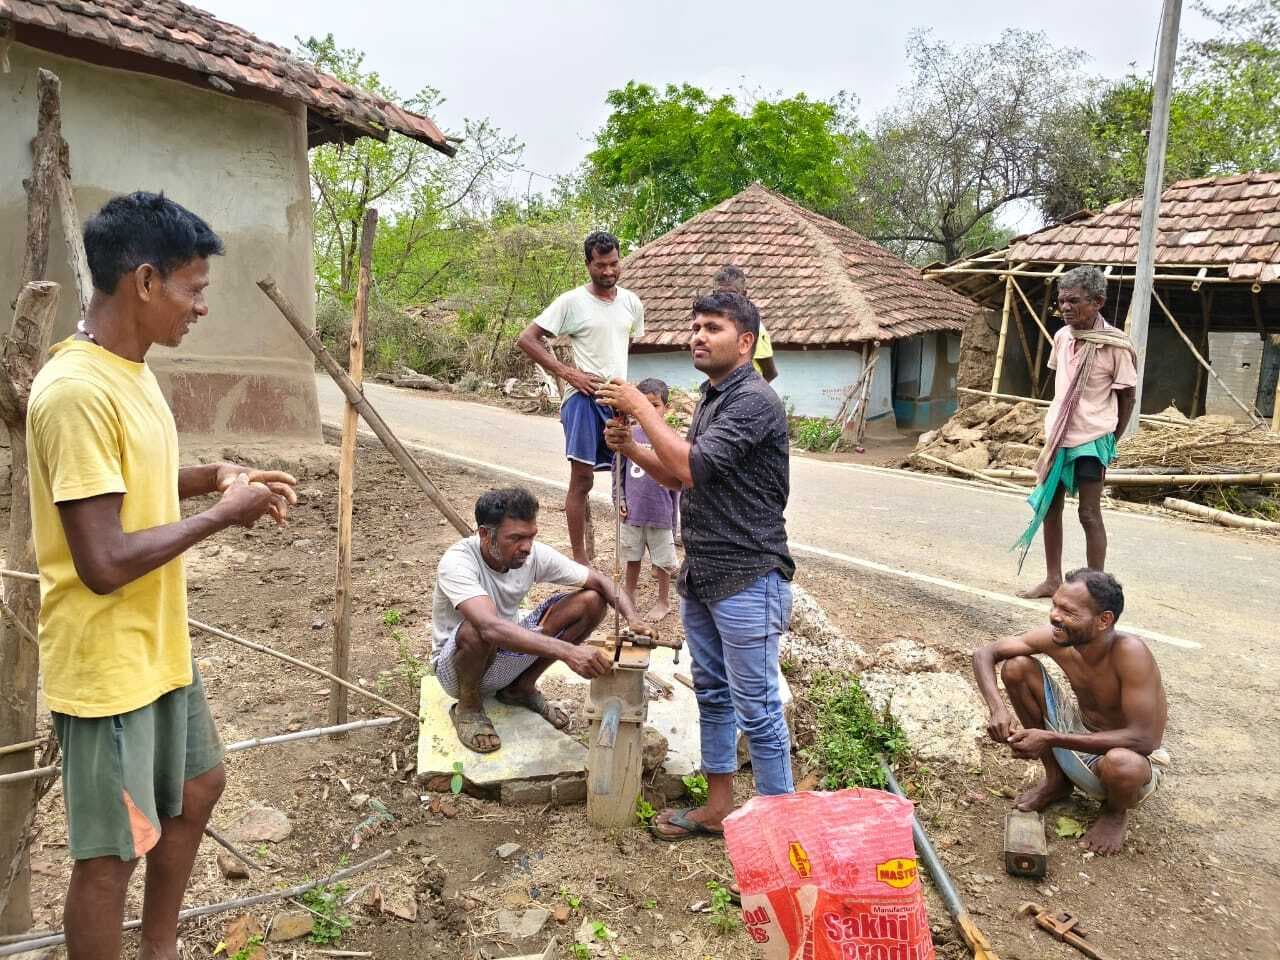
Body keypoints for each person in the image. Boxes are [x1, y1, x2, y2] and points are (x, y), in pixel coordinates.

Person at [28, 192, 298, 960]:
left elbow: (126, 482)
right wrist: (225, 516)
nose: (202, 306)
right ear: (145, 282)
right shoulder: (76, 390)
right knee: (111, 855)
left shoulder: (129, 370)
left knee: (199, 787)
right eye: (194, 287)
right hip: (107, 660)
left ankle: (159, 949)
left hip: (158, 646)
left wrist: (210, 476)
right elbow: (103, 560)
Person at [597, 291, 795, 841]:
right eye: (695, 327)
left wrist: (639, 408)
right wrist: (633, 450)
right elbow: (680, 479)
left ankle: (779, 839)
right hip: (706, 573)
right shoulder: (714, 398)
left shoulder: (753, 400)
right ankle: (720, 807)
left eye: (713, 328)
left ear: (747, 342)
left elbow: (692, 463)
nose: (698, 336)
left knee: (758, 710)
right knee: (712, 692)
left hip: (749, 576)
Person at [432, 487, 652, 753]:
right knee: (476, 630)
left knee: (591, 601)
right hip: (457, 668)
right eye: (515, 538)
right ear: (484, 535)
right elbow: (489, 627)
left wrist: (633, 618)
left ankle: (520, 688)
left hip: (503, 650)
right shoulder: (457, 562)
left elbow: (600, 581)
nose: (526, 547)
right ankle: (468, 707)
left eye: (531, 536)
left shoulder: (530, 555)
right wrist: (569, 652)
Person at [972, 569, 1169, 856]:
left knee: (1123, 764)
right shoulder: (1059, 638)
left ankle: (1114, 812)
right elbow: (984, 654)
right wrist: (997, 709)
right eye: (1054, 604)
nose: (1054, 616)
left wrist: (1050, 738)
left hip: (1130, 753)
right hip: (1080, 729)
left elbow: (1144, 739)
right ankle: (1057, 781)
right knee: (1016, 667)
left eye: (1069, 611)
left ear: (1104, 620)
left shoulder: (1131, 653)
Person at [517, 232, 645, 563]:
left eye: (614, 263)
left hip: (615, 398)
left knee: (630, 475)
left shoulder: (631, 303)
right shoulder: (571, 302)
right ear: (588, 264)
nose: (608, 271)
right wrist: (568, 372)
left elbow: (625, 348)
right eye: (600, 265)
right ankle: (580, 561)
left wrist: (628, 395)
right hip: (583, 397)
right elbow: (527, 339)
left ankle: (631, 556)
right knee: (583, 479)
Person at [1016, 265, 1137, 596]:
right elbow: (1060, 385)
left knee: (1088, 513)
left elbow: (1128, 396)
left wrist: (1113, 439)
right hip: (1059, 436)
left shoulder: (1116, 345)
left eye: (1074, 301)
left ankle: (1095, 590)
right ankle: (1053, 579)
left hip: (1093, 436)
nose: (1065, 307)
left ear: (1097, 302)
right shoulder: (1062, 337)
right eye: (1061, 301)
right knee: (1049, 507)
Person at [615, 378, 680, 622]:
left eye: (655, 405)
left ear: (667, 408)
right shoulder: (627, 435)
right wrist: (619, 498)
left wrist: (675, 521)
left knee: (663, 561)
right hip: (631, 511)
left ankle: (663, 602)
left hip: (660, 513)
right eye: (643, 404)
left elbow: (679, 483)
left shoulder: (670, 439)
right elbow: (617, 470)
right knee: (632, 557)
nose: (649, 411)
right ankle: (628, 595)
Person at [713, 264, 778, 383]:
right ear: (713, 294)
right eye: (720, 294)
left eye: (732, 294)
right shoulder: (712, 327)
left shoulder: (754, 328)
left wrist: (751, 392)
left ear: (744, 295)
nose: (726, 299)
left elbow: (770, 372)